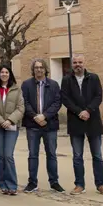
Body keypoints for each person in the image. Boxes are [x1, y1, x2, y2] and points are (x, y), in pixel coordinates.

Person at [61, 54, 103, 196]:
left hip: (93, 120)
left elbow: (98, 96)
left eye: (80, 62)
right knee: (77, 155)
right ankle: (79, 185)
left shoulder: (93, 78)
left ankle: (100, 184)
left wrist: (88, 110)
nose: (78, 65)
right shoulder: (66, 80)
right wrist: (79, 112)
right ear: (72, 64)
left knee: (97, 155)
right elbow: (65, 99)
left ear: (84, 63)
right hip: (76, 120)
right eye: (75, 62)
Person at [21, 58, 64, 193]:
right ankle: (32, 182)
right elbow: (24, 102)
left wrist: (44, 116)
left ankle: (54, 182)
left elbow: (57, 103)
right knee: (33, 154)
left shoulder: (54, 85)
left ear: (45, 69)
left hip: (49, 124)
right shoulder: (26, 85)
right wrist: (35, 116)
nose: (39, 70)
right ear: (33, 70)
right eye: (36, 68)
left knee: (51, 154)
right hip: (32, 125)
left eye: (41, 67)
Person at [0, 64, 24, 195]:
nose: (4, 74)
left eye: (6, 72)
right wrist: (1, 121)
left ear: (10, 74)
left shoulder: (16, 89)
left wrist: (9, 120)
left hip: (12, 126)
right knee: (1, 156)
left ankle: (12, 185)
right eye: (2, 72)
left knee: (8, 155)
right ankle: (2, 184)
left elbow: (20, 108)